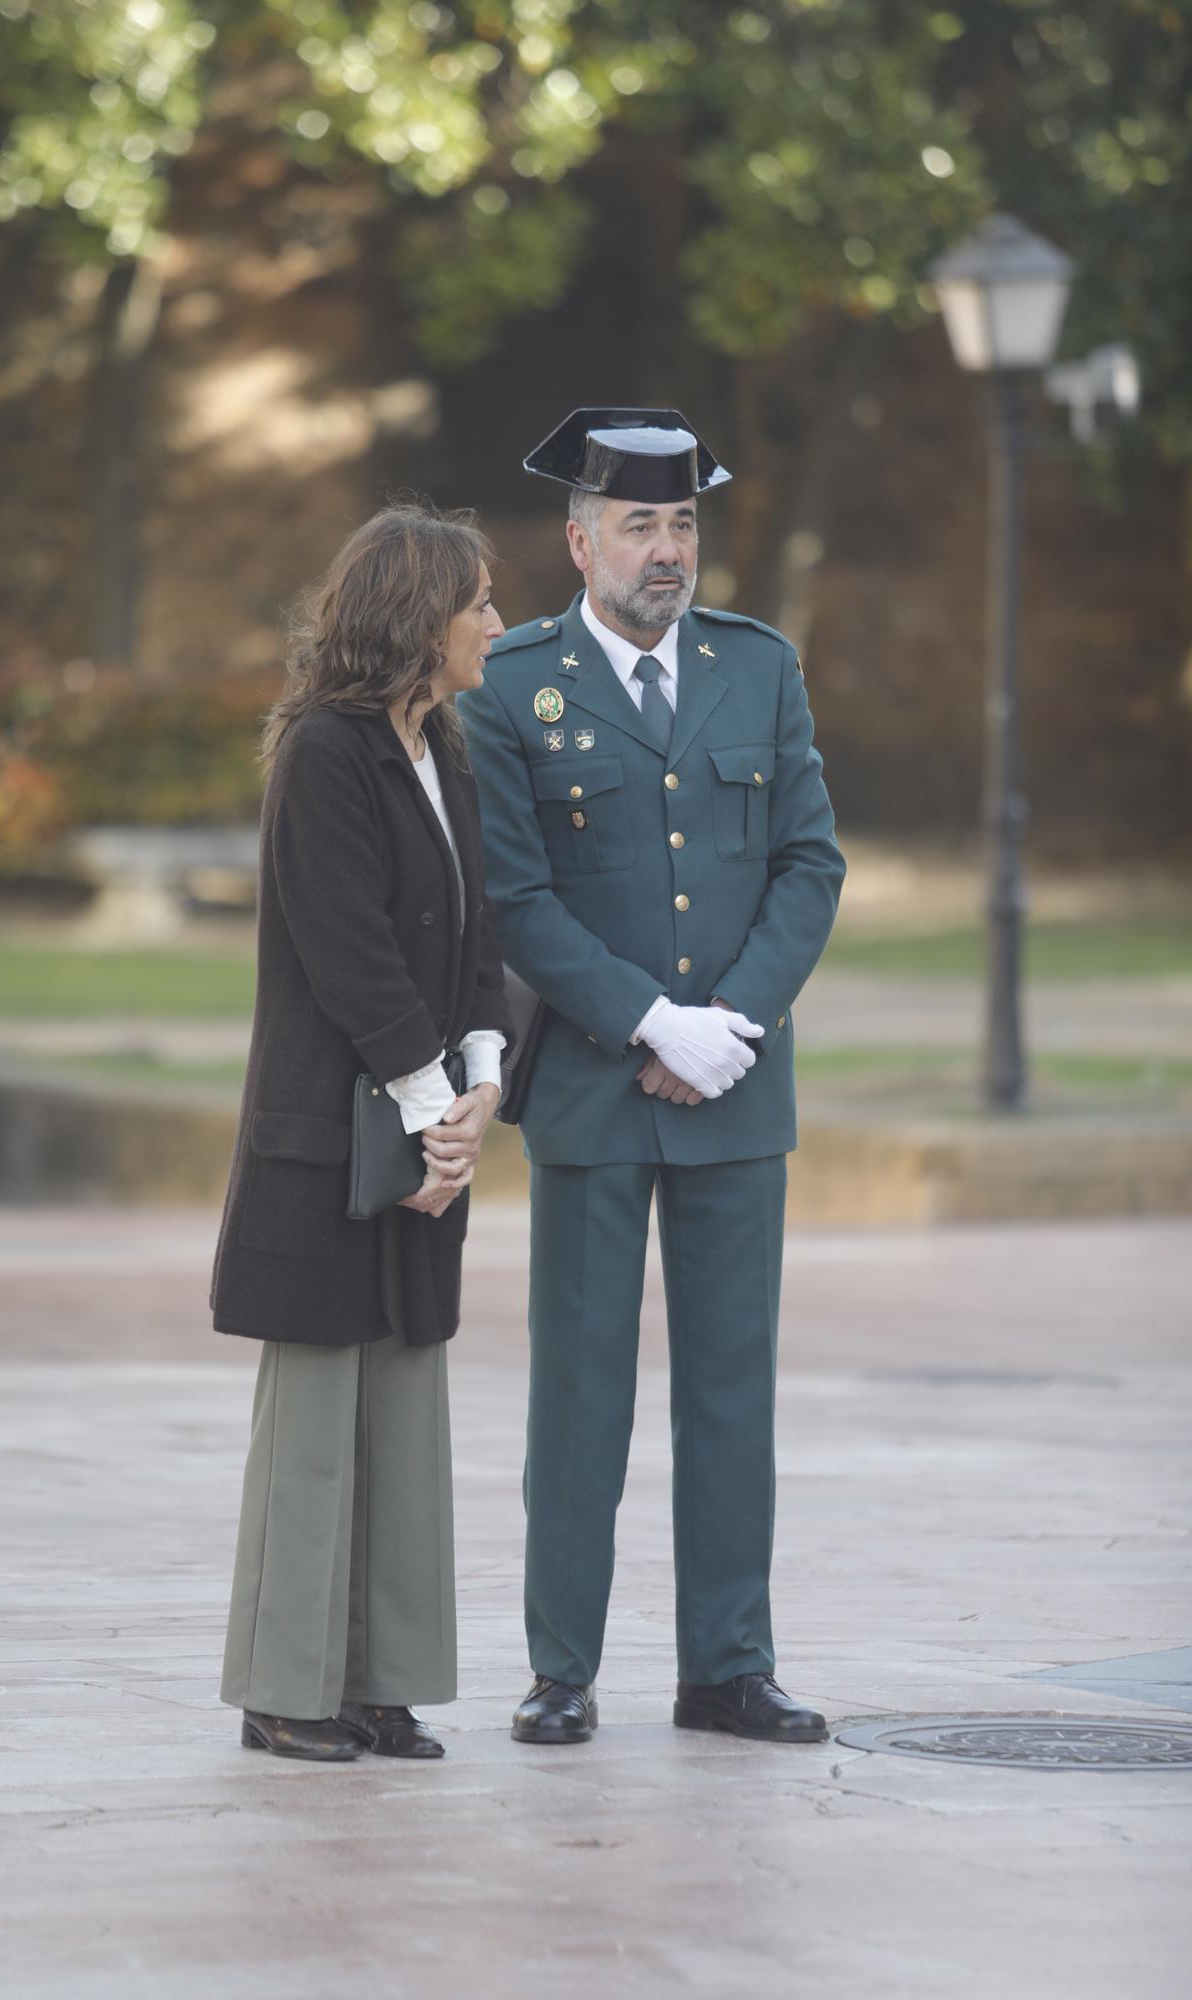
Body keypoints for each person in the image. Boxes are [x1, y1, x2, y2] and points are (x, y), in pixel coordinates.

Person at [457, 408, 845, 1747]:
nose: (665, 550)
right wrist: (645, 1023)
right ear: (579, 542)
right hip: (591, 1096)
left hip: (735, 1089)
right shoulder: (510, 684)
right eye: (638, 525)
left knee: (733, 1388)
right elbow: (514, 898)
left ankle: (727, 1666)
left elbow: (810, 862)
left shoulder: (759, 668)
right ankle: (560, 1666)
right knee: (580, 1388)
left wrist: (725, 1020)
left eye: (681, 524)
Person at [212, 501, 511, 1762]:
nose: (499, 622)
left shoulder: (446, 745)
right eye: (481, 603)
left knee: (403, 1400)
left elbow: (474, 933)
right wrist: (431, 1100)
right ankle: (286, 1689)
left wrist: (484, 1076)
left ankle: (380, 1683)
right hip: (333, 1134)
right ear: (419, 616)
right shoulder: (321, 753)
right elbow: (349, 951)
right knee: (318, 1409)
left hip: (422, 1120)